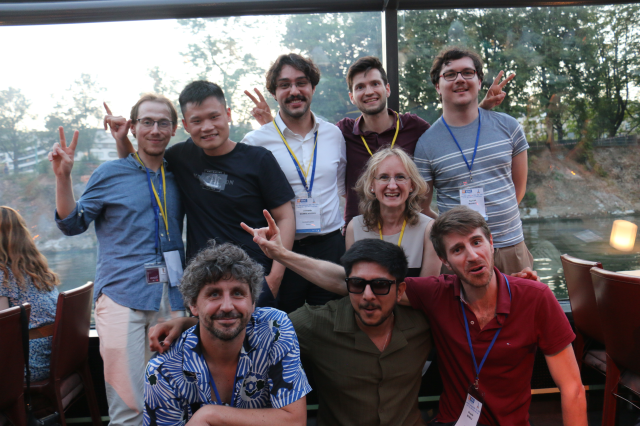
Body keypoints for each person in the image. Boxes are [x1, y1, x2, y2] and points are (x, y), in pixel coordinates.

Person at [242, 206, 586, 426]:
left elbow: (572, 388)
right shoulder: (437, 294)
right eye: (457, 249)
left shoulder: (535, 298)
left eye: (477, 242)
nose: (472, 255)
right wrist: (281, 254)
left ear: (492, 242)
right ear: (445, 261)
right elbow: (352, 281)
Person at [149, 236, 432, 426]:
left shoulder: (425, 325)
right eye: (357, 284)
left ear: (400, 290)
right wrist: (190, 323)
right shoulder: (313, 324)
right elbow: (236, 320)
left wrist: (211, 415)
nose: (368, 295)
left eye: (380, 286)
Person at [245, 55, 514, 227]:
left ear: (387, 89)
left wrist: (481, 108)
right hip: (359, 233)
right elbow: (302, 141)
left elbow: (448, 135)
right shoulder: (341, 133)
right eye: (360, 87)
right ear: (352, 97)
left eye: (375, 84)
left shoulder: (414, 127)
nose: (369, 91)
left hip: (408, 228)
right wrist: (271, 126)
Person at [52, 94, 187, 426]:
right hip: (121, 297)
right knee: (128, 408)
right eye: (147, 122)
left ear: (174, 129)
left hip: (171, 299)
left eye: (163, 123)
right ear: (134, 127)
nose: (155, 130)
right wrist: (63, 177)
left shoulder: (180, 173)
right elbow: (72, 224)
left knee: (170, 403)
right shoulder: (110, 173)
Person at [106, 81, 296, 305]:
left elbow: (285, 217)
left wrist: (274, 278)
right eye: (197, 121)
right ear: (186, 125)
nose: (207, 127)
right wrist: (122, 138)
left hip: (253, 283)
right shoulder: (180, 157)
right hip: (204, 286)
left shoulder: (259, 159)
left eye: (214, 117)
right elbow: (140, 169)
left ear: (228, 114)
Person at [144, 242, 310, 426]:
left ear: (253, 303)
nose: (227, 306)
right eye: (214, 294)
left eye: (238, 293)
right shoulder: (164, 370)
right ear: (193, 305)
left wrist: (211, 415)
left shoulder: (273, 329)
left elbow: (295, 421)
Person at [242, 54, 346, 313]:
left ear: (313, 87)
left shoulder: (333, 134)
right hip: (281, 253)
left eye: (301, 83)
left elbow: (341, 186)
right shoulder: (255, 142)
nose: (294, 91)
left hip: (330, 247)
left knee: (331, 324)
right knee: (283, 325)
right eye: (284, 85)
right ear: (274, 93)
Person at [413, 46, 532, 274]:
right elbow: (423, 207)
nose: (460, 79)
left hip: (510, 248)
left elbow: (518, 190)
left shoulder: (509, 127)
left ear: (479, 81)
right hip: (460, 254)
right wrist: (453, 229)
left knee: (522, 298)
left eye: (467, 73)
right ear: (437, 86)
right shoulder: (426, 144)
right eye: (450, 74)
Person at [346, 147, 440, 277]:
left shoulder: (428, 230)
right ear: (371, 185)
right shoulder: (355, 228)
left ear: (412, 185)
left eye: (400, 177)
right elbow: (354, 283)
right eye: (384, 177)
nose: (392, 186)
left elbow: (428, 287)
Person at [0, 206, 59, 381]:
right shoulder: (37, 269)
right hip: (53, 357)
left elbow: (3, 329)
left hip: (27, 364)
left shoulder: (3, 274)